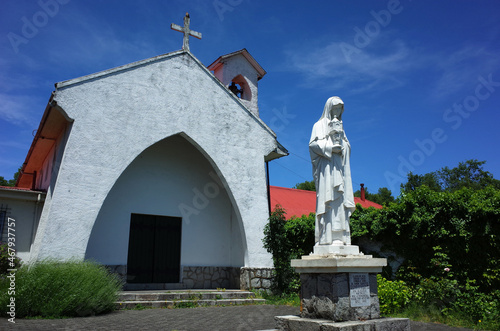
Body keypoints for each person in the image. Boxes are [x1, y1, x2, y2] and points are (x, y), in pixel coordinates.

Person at [309, 96, 355, 246]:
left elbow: (347, 146)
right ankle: (325, 238)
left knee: (339, 201)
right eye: (334, 109)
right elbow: (312, 145)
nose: (337, 112)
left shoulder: (341, 127)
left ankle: (341, 237)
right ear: (328, 108)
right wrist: (330, 148)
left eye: (339, 109)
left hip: (339, 170)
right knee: (327, 200)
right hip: (326, 170)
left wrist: (341, 146)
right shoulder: (318, 125)